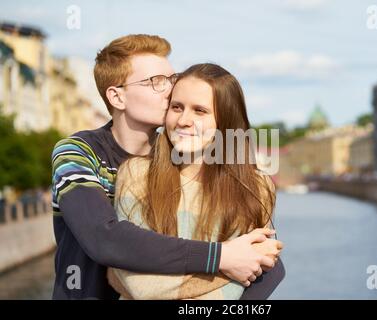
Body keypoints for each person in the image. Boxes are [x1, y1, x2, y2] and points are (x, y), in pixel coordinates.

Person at [51, 34, 285, 299]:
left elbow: (267, 266)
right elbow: (104, 238)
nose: (170, 89)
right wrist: (221, 257)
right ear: (117, 97)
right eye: (156, 82)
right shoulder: (78, 152)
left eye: (171, 79)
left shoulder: (183, 159)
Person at [107, 63, 282, 299]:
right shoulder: (137, 175)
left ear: (225, 122)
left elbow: (244, 281)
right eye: (177, 107)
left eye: (200, 111)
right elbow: (140, 286)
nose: (183, 120)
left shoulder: (256, 188)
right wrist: (228, 264)